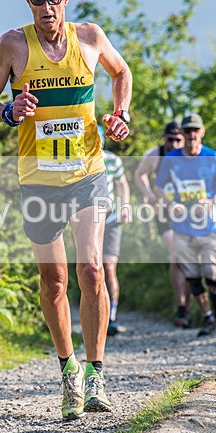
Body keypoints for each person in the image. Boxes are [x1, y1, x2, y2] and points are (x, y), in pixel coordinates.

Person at [0, 0, 132, 420]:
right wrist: (8, 111)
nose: (47, 9)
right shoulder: (13, 44)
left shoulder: (89, 37)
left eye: (54, 0)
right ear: (29, 3)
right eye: (38, 1)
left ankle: (97, 373)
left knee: (92, 271)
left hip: (87, 171)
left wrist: (120, 114)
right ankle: (69, 371)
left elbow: (120, 73)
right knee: (55, 281)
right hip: (39, 177)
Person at [154, 114, 216, 336]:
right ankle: (208, 318)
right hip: (182, 228)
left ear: (202, 132)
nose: (191, 135)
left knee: (213, 273)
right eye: (187, 131)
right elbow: (159, 188)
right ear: (183, 133)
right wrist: (171, 205)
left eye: (195, 130)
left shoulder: (213, 157)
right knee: (192, 276)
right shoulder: (171, 159)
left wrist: (213, 202)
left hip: (210, 227)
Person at [133, 121, 193, 327]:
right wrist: (149, 196)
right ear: (164, 138)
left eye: (179, 140)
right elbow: (139, 175)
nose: (175, 144)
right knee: (176, 252)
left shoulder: (189, 154)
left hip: (188, 212)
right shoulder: (154, 155)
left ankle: (190, 305)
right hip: (164, 212)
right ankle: (181, 306)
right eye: (171, 139)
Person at [97, 125, 131, 337]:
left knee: (109, 267)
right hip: (88, 221)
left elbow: (123, 184)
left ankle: (111, 317)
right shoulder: (78, 160)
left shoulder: (112, 160)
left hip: (111, 219)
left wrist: (125, 206)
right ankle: (95, 315)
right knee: (93, 269)